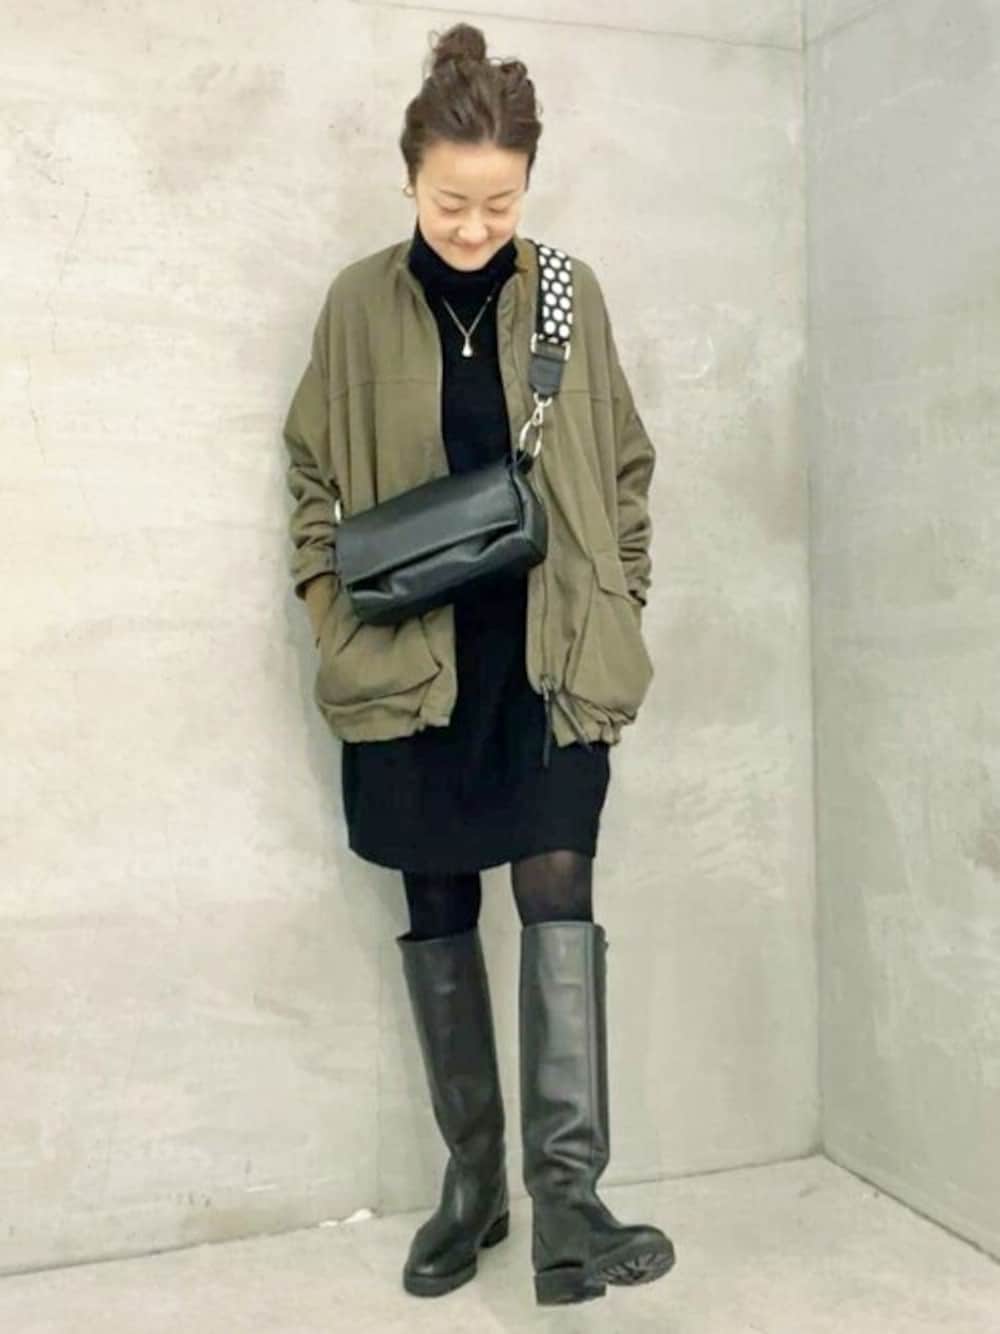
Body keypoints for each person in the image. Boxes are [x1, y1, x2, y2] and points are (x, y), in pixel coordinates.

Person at [281, 20, 674, 1308]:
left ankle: (570, 1205)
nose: (473, 225)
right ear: (409, 178)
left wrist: (619, 600)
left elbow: (624, 466)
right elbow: (311, 474)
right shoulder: (356, 305)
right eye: (451, 200)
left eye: (500, 202)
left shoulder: (567, 292)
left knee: (559, 894)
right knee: (439, 908)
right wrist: (331, 612)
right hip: (410, 668)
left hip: (548, 662)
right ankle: (474, 1187)